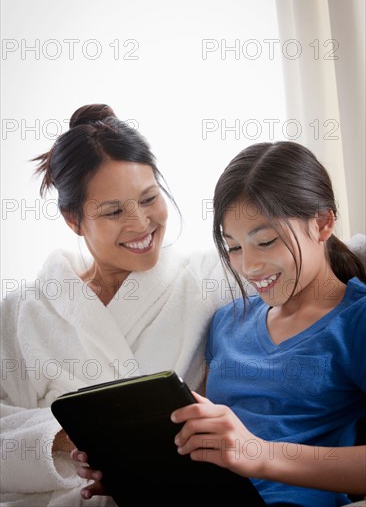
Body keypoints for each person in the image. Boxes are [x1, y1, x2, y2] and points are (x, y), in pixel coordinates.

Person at [0, 104, 248, 506]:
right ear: (73, 219)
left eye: (149, 198)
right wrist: (61, 438)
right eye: (114, 211)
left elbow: (317, 264)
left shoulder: (206, 278)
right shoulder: (22, 313)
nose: (140, 223)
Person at [169, 141, 366, 507]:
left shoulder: (356, 321)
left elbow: (248, 451)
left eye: (265, 241)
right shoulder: (227, 322)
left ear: (322, 222)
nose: (250, 267)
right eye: (235, 247)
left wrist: (261, 454)